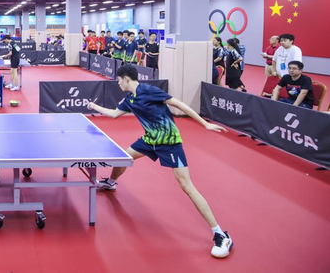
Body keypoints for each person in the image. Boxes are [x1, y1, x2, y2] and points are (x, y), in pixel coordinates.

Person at [86, 64, 232, 258]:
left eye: (119, 80)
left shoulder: (149, 90)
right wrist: (94, 107)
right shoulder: (130, 99)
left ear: (126, 78)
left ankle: (220, 234)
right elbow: (114, 114)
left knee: (186, 186)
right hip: (150, 140)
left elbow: (179, 104)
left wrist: (205, 124)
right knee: (124, 157)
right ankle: (111, 182)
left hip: (169, 143)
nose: (118, 83)